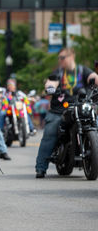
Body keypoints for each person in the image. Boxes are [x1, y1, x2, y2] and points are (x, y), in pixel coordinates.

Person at [35, 48, 98, 178]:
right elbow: (51, 82)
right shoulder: (59, 72)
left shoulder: (82, 71)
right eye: (59, 58)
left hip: (81, 107)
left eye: (62, 57)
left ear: (71, 56)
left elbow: (93, 77)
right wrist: (50, 87)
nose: (60, 60)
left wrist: (96, 79)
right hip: (60, 110)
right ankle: (41, 167)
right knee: (50, 132)